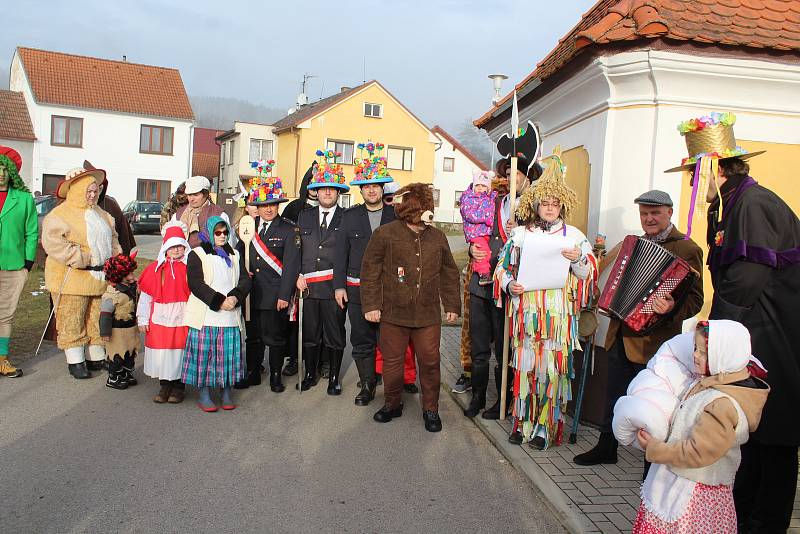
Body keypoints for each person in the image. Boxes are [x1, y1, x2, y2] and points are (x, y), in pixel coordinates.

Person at [665, 111, 800, 532]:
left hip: (776, 337)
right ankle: (741, 518)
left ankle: (767, 523)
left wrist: (711, 337)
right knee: (752, 435)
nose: (691, 184)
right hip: (753, 332)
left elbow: (745, 281)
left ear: (714, 169)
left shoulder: (754, 204)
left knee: (775, 435)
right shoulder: (730, 204)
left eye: (694, 174)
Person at [574, 190, 703, 467]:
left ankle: (652, 461)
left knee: (653, 402)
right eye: (644, 214)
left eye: (655, 213)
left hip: (654, 341)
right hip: (621, 334)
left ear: (669, 212)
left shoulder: (686, 249)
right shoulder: (634, 244)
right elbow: (621, 279)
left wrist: (670, 309)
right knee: (614, 393)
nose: (649, 219)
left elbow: (695, 299)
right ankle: (606, 447)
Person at [495, 147, 597, 449]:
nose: (549, 208)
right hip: (526, 316)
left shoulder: (575, 236)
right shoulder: (522, 235)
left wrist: (578, 259)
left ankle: (544, 427)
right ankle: (521, 423)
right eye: (545, 203)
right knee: (526, 367)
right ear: (536, 205)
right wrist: (510, 283)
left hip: (557, 320)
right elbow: (502, 268)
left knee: (551, 372)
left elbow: (586, 275)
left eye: (555, 204)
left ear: (561, 206)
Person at [633, 320, 769, 533]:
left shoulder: (722, 402)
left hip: (694, 500)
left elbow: (699, 452)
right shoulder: (708, 383)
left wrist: (655, 448)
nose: (695, 355)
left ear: (723, 357)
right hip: (681, 487)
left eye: (704, 352)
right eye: (695, 348)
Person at [361, 183, 461, 432]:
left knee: (430, 363)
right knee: (392, 363)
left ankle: (431, 410)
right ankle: (392, 404)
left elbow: (449, 272)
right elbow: (370, 271)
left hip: (427, 315)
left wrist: (451, 304)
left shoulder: (438, 237)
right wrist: (372, 305)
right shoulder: (384, 234)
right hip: (393, 313)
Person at [464, 125, 543, 420]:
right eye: (507, 174)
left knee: (505, 349)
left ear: (527, 175)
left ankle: (503, 401)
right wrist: (472, 246)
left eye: (516, 174)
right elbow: (474, 226)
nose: (510, 178)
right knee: (479, 347)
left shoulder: (536, 207)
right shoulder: (495, 202)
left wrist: (523, 230)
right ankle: (478, 398)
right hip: (481, 284)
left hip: (509, 288)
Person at [42, 166, 121, 378]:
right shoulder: (60, 214)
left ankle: (96, 356)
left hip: (99, 278)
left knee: (96, 318)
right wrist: (81, 258)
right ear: (77, 190)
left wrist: (116, 260)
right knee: (72, 317)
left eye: (96, 191)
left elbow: (113, 239)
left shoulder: (103, 214)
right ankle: (76, 360)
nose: (93, 194)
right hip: (72, 279)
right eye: (88, 191)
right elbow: (53, 243)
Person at [333, 141, 396, 405]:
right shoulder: (349, 217)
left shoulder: (396, 216)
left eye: (376, 186)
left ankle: (392, 391)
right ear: (362, 190)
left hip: (388, 292)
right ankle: (367, 385)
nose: (371, 190)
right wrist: (339, 287)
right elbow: (340, 254)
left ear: (382, 188)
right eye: (367, 186)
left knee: (390, 342)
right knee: (361, 340)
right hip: (356, 290)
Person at [235, 165, 299, 393]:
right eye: (264, 205)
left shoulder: (289, 229)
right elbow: (237, 257)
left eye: (272, 204)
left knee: (275, 338)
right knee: (253, 337)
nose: (268, 209)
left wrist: (284, 295)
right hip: (252, 294)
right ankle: (253, 372)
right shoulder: (246, 228)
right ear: (257, 207)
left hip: (274, 294)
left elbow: (291, 266)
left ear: (278, 205)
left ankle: (274, 375)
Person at [181, 216, 251, 412]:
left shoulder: (235, 255)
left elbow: (245, 280)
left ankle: (226, 392)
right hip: (206, 316)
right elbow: (196, 283)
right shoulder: (197, 254)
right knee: (206, 357)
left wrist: (235, 298)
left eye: (225, 232)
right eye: (218, 232)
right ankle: (204, 394)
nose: (222, 236)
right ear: (209, 233)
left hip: (230, 316)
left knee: (228, 357)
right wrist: (219, 300)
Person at [295, 150, 350, 393]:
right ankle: (310, 373)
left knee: (335, 335)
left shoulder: (348, 218)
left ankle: (335, 378)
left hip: (334, 289)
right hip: (308, 288)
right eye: (323, 187)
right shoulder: (303, 217)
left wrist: (341, 286)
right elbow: (295, 251)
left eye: (332, 188)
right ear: (316, 191)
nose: (327, 192)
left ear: (338, 192)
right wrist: (297, 275)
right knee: (310, 334)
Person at [137, 221, 191, 404]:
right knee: (164, 354)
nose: (176, 250)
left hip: (183, 318)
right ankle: (164, 385)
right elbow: (145, 296)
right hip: (160, 319)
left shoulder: (191, 269)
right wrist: (143, 318)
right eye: (172, 246)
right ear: (165, 248)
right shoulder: (155, 270)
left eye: (179, 246)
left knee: (179, 352)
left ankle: (178, 387)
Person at [0, 146, 36, 378]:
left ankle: (2, 358)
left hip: (13, 266)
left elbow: (31, 232)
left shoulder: (24, 199)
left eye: (5, 168)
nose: (1, 173)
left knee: (5, 314)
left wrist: (27, 263)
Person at [279, 162, 317, 378]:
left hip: (317, 270)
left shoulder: (327, 206)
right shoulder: (294, 207)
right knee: (293, 320)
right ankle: (293, 357)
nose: (314, 186)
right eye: (310, 182)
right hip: (295, 269)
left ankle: (318, 360)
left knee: (315, 321)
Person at [99, 252, 140, 390]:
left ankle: (126, 374)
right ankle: (114, 376)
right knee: (117, 355)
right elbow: (105, 315)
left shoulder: (130, 289)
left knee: (129, 353)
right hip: (117, 333)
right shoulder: (112, 295)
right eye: (129, 273)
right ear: (119, 275)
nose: (132, 276)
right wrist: (105, 332)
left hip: (130, 330)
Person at [85, 160, 136, 255]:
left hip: (107, 261)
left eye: (96, 190)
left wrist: (121, 262)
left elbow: (123, 240)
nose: (92, 194)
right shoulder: (70, 205)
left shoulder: (110, 205)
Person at [459, 169, 497, 286]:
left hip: (485, 232)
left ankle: (473, 267)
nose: (480, 188)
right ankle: (484, 274)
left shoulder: (490, 198)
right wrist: (486, 218)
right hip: (475, 232)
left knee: (485, 252)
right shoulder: (469, 198)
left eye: (483, 186)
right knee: (483, 252)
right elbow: (469, 214)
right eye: (477, 185)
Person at [172, 176, 229, 248]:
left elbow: (229, 243)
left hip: (210, 257)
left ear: (205, 194)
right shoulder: (178, 215)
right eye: (189, 195)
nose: (192, 199)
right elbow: (168, 244)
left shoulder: (219, 214)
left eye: (196, 195)